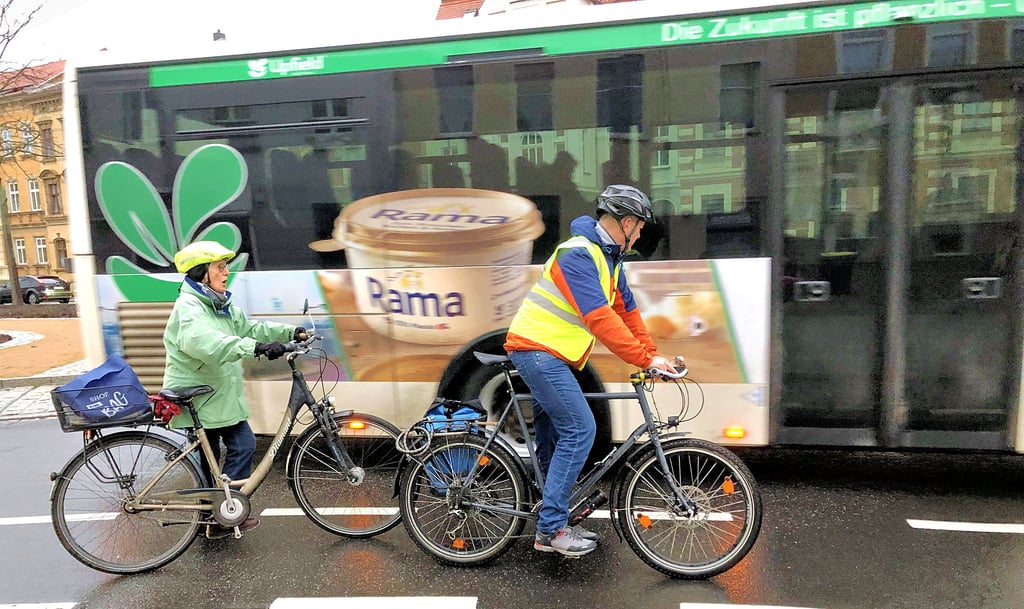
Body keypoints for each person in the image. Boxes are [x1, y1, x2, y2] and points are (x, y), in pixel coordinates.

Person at [503, 184, 678, 557]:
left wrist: (652, 356)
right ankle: (551, 530)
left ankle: (552, 519)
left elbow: (627, 314)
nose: (642, 233)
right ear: (626, 222)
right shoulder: (577, 255)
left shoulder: (609, 259)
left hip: (553, 355)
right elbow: (599, 318)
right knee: (580, 428)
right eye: (641, 226)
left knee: (553, 441)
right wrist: (644, 360)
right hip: (536, 351)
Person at [163, 241, 305, 539]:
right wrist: (257, 349)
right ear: (202, 273)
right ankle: (215, 518)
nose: (226, 272)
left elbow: (250, 329)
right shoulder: (189, 309)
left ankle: (223, 512)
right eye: (219, 267)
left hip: (219, 394)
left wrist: (288, 332)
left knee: (242, 445)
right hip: (199, 395)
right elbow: (210, 344)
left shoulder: (219, 303)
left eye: (225, 265)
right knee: (215, 456)